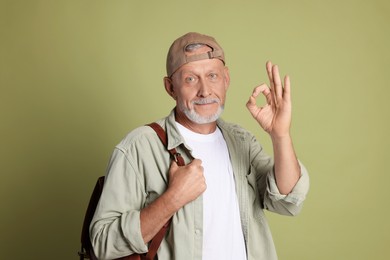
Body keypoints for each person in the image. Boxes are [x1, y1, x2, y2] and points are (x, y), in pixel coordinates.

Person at [90, 32, 309, 260]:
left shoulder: (241, 141)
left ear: (226, 79)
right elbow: (101, 243)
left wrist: (280, 135)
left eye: (212, 75)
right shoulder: (139, 147)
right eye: (190, 79)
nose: (205, 91)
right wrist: (172, 198)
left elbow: (287, 200)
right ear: (170, 87)